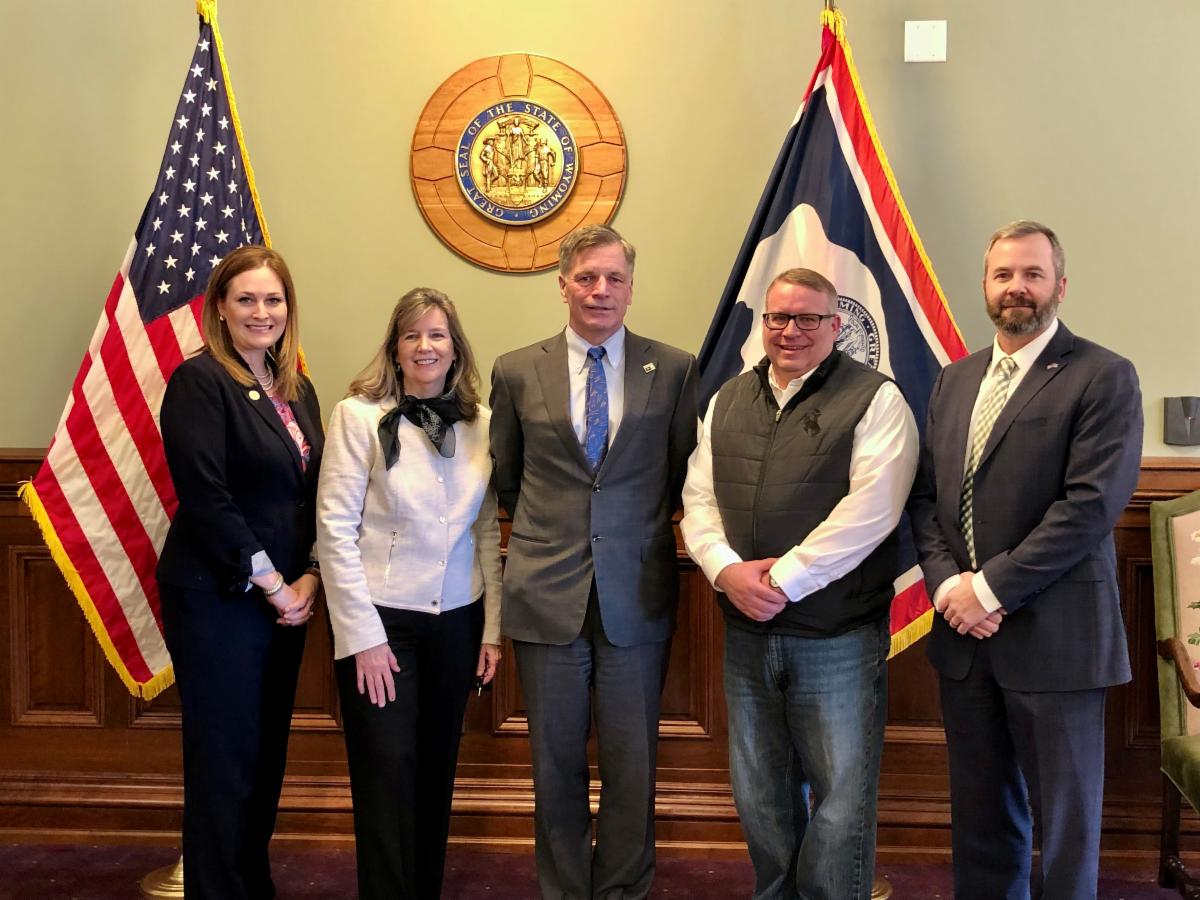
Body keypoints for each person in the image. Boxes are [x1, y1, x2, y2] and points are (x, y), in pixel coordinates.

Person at [907, 221, 1142, 899]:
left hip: (1057, 641)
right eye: (1004, 274)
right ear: (986, 286)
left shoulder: (1103, 375)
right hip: (965, 641)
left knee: (1065, 829)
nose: (1017, 287)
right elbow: (926, 498)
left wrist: (988, 590)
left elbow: (1089, 507)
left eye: (1033, 274)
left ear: (1060, 286)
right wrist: (949, 587)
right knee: (981, 821)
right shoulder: (955, 380)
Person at [680, 267, 918, 900]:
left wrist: (782, 579)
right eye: (778, 317)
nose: (791, 331)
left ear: (836, 325)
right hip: (747, 631)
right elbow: (698, 499)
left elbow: (873, 510)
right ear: (763, 323)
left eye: (808, 318)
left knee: (841, 799)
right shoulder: (728, 398)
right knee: (760, 793)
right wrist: (725, 570)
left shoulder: (876, 398)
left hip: (836, 635)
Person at [489, 223, 698, 899]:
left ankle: (623, 890)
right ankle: (565, 890)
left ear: (631, 288)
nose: (600, 290)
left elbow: (679, 472)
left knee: (633, 763)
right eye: (586, 277)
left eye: (613, 278)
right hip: (546, 592)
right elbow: (509, 478)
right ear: (563, 286)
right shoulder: (516, 369)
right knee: (554, 763)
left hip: (636, 592)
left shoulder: (674, 369)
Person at [317, 288, 502, 900]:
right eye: (412, 335)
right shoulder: (357, 416)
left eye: (437, 334)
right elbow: (334, 530)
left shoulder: (481, 424)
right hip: (381, 624)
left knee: (435, 771)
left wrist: (491, 631)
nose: (425, 346)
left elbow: (484, 531)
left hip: (457, 622)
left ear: (456, 348)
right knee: (386, 771)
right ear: (395, 349)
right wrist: (362, 638)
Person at [156, 245, 323, 899]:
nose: (262, 311)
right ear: (220, 309)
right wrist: (275, 585)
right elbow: (208, 497)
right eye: (246, 299)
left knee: (264, 756)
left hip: (285, 600)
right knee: (225, 759)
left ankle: (251, 886)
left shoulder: (295, 388)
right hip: (220, 598)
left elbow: (311, 495)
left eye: (273, 299)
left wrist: (308, 577)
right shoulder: (199, 381)